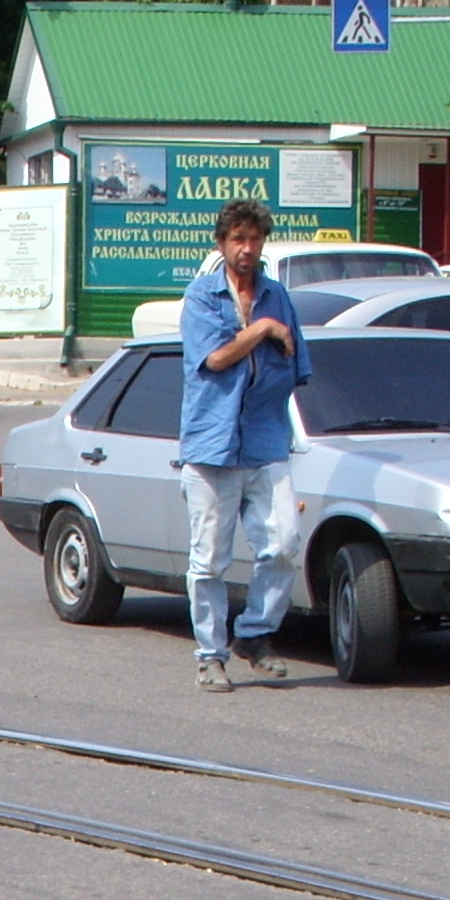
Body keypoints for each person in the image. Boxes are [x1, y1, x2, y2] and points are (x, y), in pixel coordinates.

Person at [177, 198, 311, 693]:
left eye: (255, 239)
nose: (247, 248)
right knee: (209, 559)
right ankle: (210, 655)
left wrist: (270, 332)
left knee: (283, 544)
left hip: (267, 440)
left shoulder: (278, 296)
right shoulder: (201, 297)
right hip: (211, 446)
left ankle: (254, 634)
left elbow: (298, 367)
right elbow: (214, 360)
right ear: (222, 243)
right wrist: (260, 330)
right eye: (238, 239)